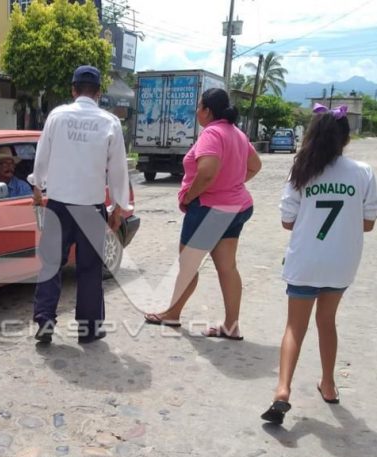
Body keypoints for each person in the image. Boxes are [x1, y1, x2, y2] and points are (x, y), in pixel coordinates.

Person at [261, 104, 377, 425]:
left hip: (305, 261)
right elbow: (368, 225)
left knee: (294, 327)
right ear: (346, 139)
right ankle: (328, 384)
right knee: (327, 321)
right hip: (341, 263)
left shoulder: (301, 170)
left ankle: (282, 390)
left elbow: (287, 222)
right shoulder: (364, 172)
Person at [143, 88, 261, 339]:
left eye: (199, 106)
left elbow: (207, 171)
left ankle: (172, 314)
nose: (196, 111)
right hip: (235, 208)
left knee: (188, 265)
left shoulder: (211, 133)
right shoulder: (237, 134)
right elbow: (255, 166)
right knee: (228, 268)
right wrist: (233, 184)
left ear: (207, 110)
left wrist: (189, 195)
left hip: (210, 209)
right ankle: (231, 325)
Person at [31, 65, 131, 344]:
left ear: (73, 90)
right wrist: (119, 208)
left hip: (59, 204)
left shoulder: (57, 116)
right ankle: (88, 330)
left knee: (51, 264)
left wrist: (38, 188)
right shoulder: (110, 122)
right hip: (91, 207)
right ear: (98, 93)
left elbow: (42, 156)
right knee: (89, 269)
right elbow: (119, 170)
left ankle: (44, 320)